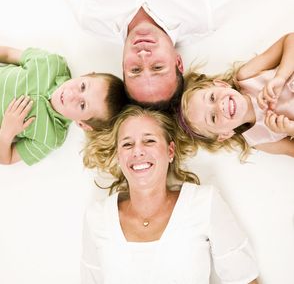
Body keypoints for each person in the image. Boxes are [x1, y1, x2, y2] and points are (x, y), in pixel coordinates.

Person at [56, 0, 288, 110]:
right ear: (178, 62)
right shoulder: (205, 15)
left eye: (135, 69)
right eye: (158, 67)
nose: (144, 55)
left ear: (122, 66)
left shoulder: (91, 17)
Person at [81, 105, 259, 283]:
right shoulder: (97, 217)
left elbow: (245, 279)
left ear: (170, 151)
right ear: (119, 156)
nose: (137, 151)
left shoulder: (204, 202)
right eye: (127, 144)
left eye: (149, 141)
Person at [0, 46, 127, 166]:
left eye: (82, 105)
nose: (72, 94)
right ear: (87, 75)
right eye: (82, 86)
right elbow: (7, 54)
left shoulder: (51, 138)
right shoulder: (52, 64)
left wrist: (6, 133)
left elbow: (7, 158)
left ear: (82, 124)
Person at [179, 33, 294, 160]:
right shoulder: (260, 139)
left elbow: (291, 39)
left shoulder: (248, 76)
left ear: (221, 84)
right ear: (224, 134)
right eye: (213, 118)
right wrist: (291, 130)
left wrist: (281, 76)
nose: (219, 106)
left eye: (212, 98)